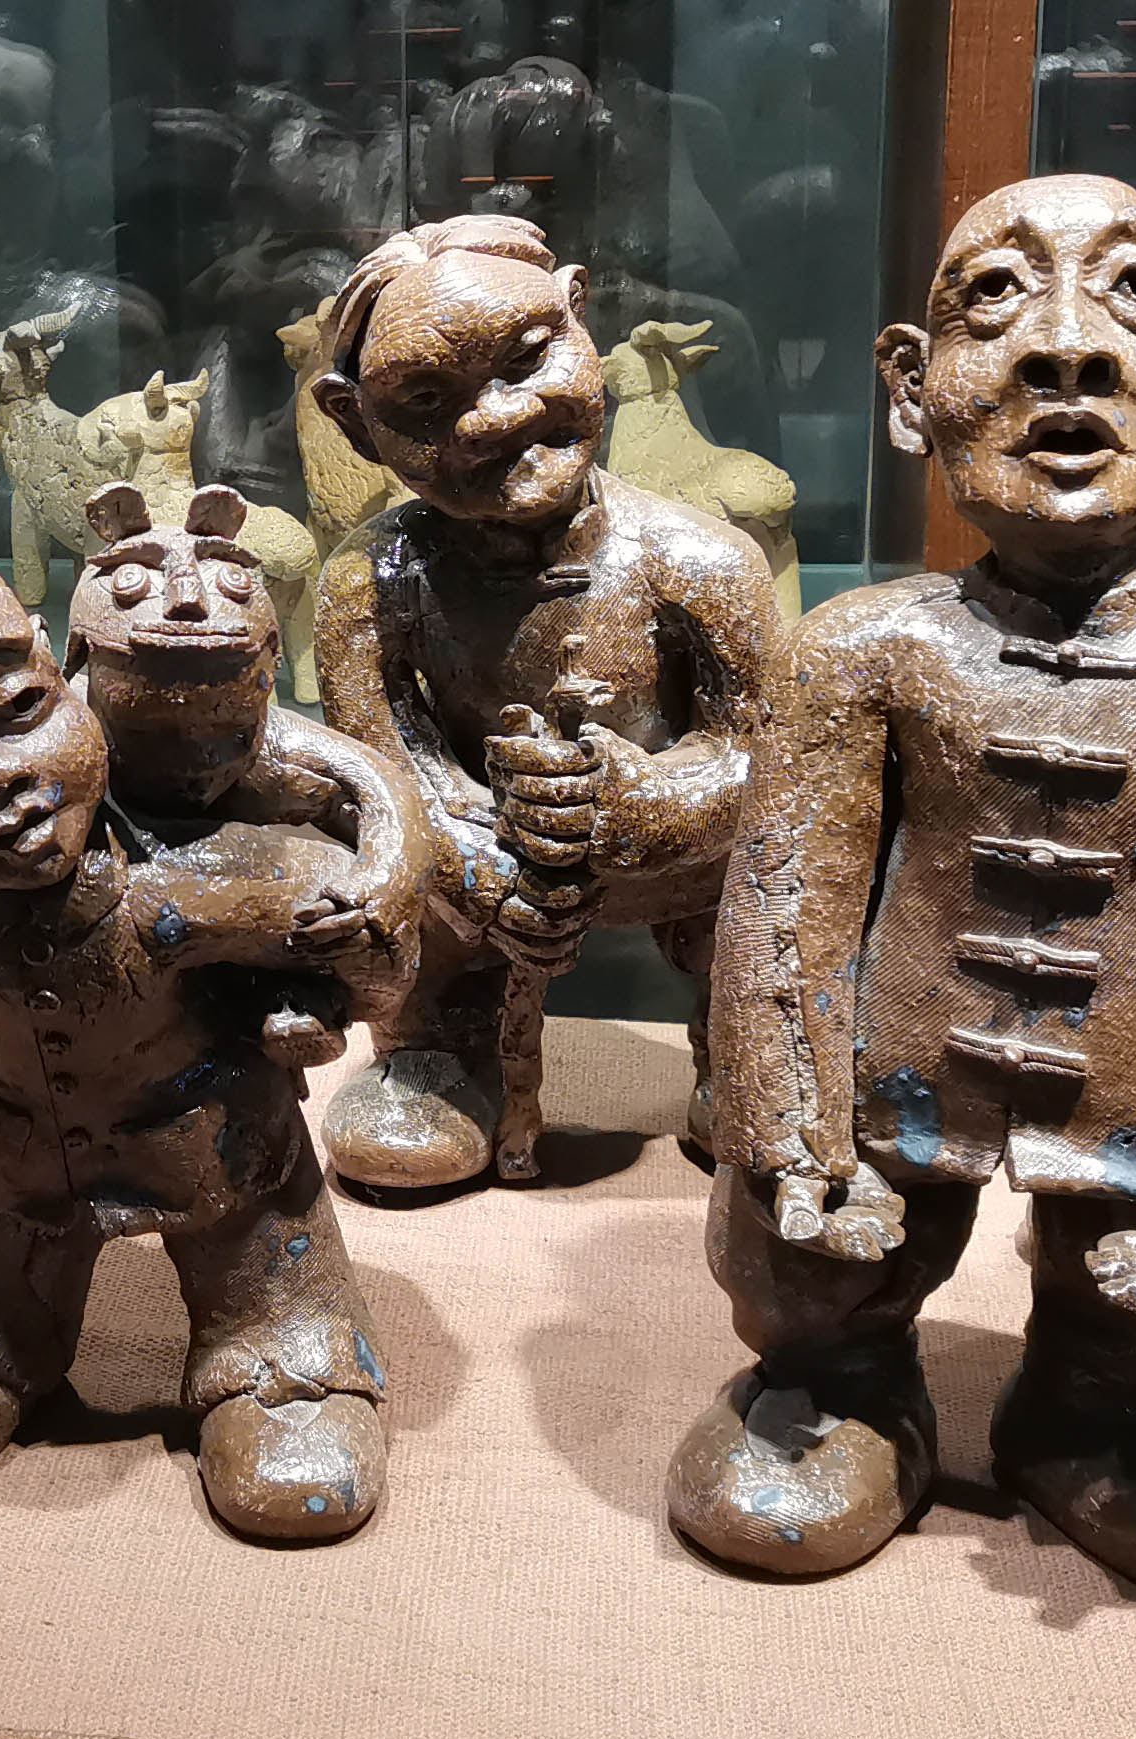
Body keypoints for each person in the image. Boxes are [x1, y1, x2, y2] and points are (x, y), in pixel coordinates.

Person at [676, 174, 1136, 1597]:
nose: (1069, 347)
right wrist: (787, 1136)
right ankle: (840, 1379)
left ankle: (1099, 1408)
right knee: (801, 1266)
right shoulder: (857, 649)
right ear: (909, 388)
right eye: (993, 298)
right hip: (885, 1092)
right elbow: (781, 915)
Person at [0, 430, 409, 1543]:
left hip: (225, 1163)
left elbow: (373, 954)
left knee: (259, 1256)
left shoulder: (209, 882)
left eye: (16, 712)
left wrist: (330, 987)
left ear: (69, 681)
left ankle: (278, 1351)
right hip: (2, 1167)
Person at [304, 215, 779, 1188]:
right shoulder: (372, 578)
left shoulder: (700, 560)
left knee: (762, 895)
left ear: (579, 314)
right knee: (417, 900)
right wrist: (473, 869)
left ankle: (747, 1046)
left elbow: (765, 758)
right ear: (353, 422)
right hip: (482, 859)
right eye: (425, 400)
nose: (491, 420)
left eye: (526, 360)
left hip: (679, 865)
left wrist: (650, 803)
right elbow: (382, 769)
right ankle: (439, 1046)